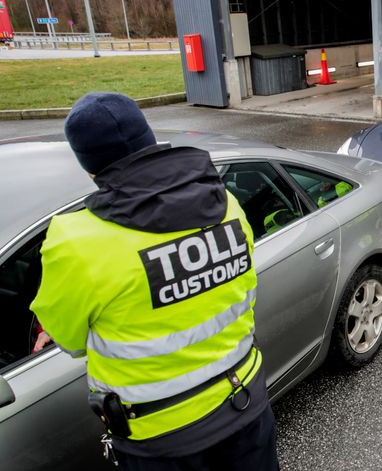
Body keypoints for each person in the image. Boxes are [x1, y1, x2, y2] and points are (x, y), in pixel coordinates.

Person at [29, 93, 279, 470]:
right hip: (245, 402)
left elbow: (70, 342)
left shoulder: (74, 240)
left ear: (90, 168)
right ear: (149, 140)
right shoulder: (224, 202)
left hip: (160, 439)